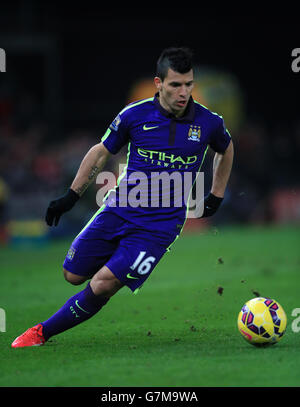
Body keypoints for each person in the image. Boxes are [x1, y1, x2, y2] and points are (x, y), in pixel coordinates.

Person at [12, 47, 234, 348]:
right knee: (72, 274)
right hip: (118, 210)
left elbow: (226, 147)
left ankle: (41, 332)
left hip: (159, 227)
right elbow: (101, 151)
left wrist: (216, 194)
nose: (183, 92)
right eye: (175, 85)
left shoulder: (208, 122)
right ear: (159, 83)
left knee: (103, 283)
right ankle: (110, 271)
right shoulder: (134, 115)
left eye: (188, 84)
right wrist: (71, 195)